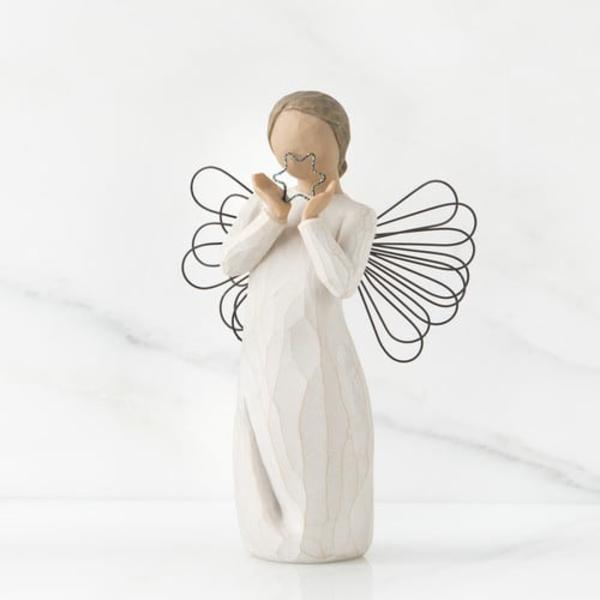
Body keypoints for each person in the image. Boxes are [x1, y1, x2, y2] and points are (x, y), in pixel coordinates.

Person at [221, 90, 377, 563]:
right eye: (288, 153)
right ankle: (273, 532)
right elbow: (231, 263)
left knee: (317, 454)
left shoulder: (355, 216)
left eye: (310, 150)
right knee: (264, 451)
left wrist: (311, 225)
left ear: (338, 147)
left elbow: (342, 282)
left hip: (321, 364)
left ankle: (328, 537)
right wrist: (274, 217)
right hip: (262, 361)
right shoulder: (261, 205)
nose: (299, 162)